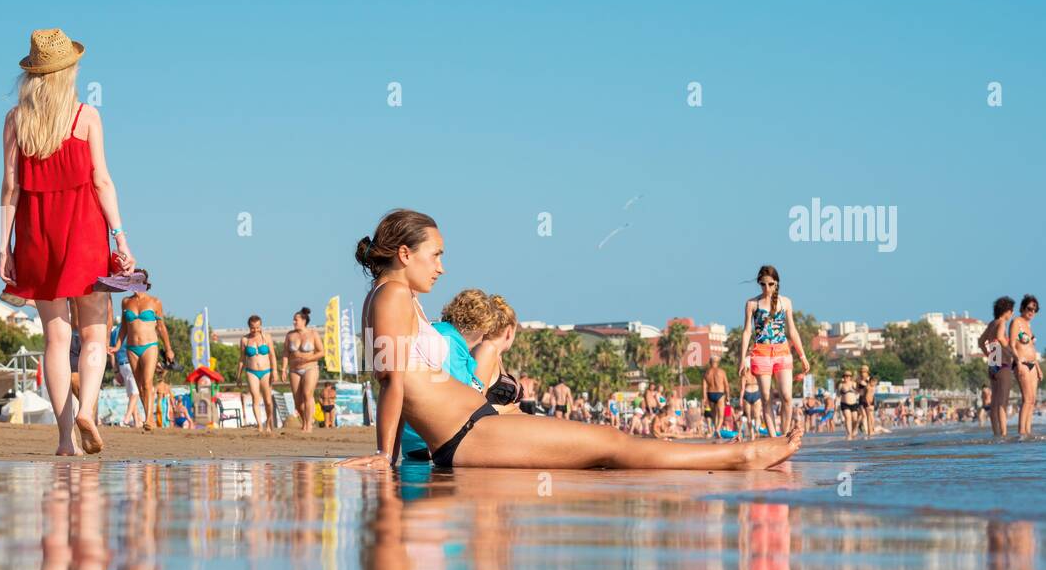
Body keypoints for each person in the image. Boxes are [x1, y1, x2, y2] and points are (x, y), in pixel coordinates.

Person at [340, 210, 799, 471]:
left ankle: (735, 456)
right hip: (468, 434)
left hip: (476, 423)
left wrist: (394, 454)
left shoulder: (393, 298)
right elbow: (393, 381)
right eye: (435, 255)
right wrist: (385, 456)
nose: (441, 267)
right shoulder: (392, 296)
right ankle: (739, 456)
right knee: (611, 445)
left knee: (608, 445)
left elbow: (398, 381)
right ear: (405, 254)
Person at [0, 28, 132, 456]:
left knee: (56, 339)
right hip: (85, 231)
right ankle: (88, 409)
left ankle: (63, 440)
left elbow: (10, 188)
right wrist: (120, 237)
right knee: (95, 333)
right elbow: (103, 179)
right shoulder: (86, 116)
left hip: (37, 233)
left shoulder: (16, 120)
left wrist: (4, 247)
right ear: (69, 71)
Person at [401, 288, 491, 462]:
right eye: (485, 332)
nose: (483, 339)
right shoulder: (449, 342)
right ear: (478, 326)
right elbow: (451, 397)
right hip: (431, 441)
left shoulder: (443, 335)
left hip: (419, 441)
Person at [739, 265, 810, 439]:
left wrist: (803, 356)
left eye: (771, 284)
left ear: (777, 283)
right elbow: (747, 331)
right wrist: (742, 359)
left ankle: (784, 434)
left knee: (786, 396)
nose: (767, 288)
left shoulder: (785, 302)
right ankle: (773, 438)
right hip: (761, 353)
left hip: (782, 352)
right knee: (765, 397)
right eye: (763, 284)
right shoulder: (752, 304)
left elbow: (792, 331)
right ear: (759, 284)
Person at [117, 290, 175, 433]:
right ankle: (150, 418)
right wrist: (117, 346)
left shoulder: (155, 302)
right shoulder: (126, 302)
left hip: (150, 346)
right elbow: (124, 327)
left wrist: (168, 349)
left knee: (148, 382)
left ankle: (149, 418)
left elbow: (161, 327)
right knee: (140, 386)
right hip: (131, 348)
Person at [978, 296, 1017, 438]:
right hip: (1003, 363)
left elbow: (981, 341)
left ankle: (996, 434)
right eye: (1011, 310)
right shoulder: (1001, 323)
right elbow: (1000, 337)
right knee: (1003, 402)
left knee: (994, 403)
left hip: (993, 363)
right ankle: (1004, 434)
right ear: (1006, 311)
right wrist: (1011, 353)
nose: (1012, 313)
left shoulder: (991, 324)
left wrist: (989, 355)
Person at [282, 307, 325, 432]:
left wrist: (308, 358)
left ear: (304, 320)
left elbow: (322, 352)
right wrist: (283, 369)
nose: (294, 322)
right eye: (294, 320)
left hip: (310, 367)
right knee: (297, 402)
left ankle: (308, 426)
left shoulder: (313, 334)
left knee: (307, 394)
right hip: (294, 369)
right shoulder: (290, 335)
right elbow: (285, 353)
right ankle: (306, 421)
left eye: (296, 320)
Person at [239, 314, 279, 433]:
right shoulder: (245, 340)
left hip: (266, 372)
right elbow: (241, 359)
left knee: (267, 400)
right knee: (255, 398)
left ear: (261, 326)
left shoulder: (267, 337)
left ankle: (268, 423)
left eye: (257, 327)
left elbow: (272, 355)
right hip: (251, 372)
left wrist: (275, 371)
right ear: (249, 327)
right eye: (252, 328)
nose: (255, 330)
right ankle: (260, 426)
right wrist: (238, 375)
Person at [1008, 294, 1039, 438]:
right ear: (1022, 308)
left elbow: (1032, 347)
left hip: (1033, 364)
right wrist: (1018, 362)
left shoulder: (1029, 325)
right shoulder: (1016, 322)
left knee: (1032, 400)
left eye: (1035, 309)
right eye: (1029, 309)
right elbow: (1012, 344)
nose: (1032, 312)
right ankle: (1021, 433)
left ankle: (1028, 431)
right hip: (1022, 363)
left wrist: (1038, 368)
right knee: (1027, 399)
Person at [702, 357, 729, 437]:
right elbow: (726, 385)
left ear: (710, 362)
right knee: (721, 414)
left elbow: (704, 387)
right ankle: (717, 429)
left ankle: (716, 431)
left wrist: (704, 398)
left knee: (714, 414)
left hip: (710, 393)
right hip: (720, 394)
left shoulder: (706, 373)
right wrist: (728, 396)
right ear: (717, 362)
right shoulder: (722, 372)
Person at [837, 368, 861, 440]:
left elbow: (859, 391)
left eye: (848, 376)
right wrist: (836, 405)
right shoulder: (841, 385)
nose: (846, 377)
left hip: (853, 404)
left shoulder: (854, 384)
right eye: (845, 376)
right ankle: (849, 433)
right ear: (843, 377)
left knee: (855, 419)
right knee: (848, 418)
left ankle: (854, 430)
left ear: (850, 377)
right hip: (844, 403)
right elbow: (838, 395)